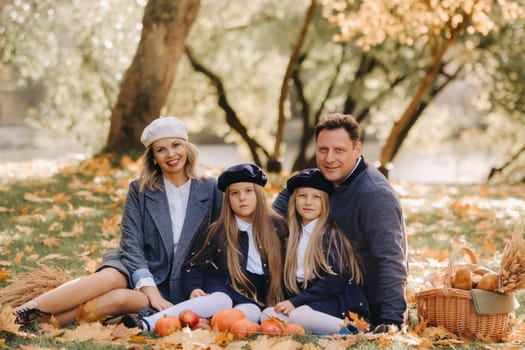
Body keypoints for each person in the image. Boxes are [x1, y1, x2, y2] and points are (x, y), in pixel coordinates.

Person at [12, 116, 222, 326]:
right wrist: (149, 288)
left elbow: (219, 243)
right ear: (153, 158)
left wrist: (199, 289)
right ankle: (20, 313)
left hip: (175, 285)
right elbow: (131, 244)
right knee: (107, 279)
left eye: (176, 145)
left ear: (187, 148)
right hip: (135, 265)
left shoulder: (210, 189)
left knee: (118, 299)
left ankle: (31, 322)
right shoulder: (139, 190)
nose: (171, 155)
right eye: (161, 150)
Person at [273, 113, 408, 331]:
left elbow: (391, 259)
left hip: (357, 301)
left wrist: (392, 320)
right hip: (314, 291)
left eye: (339, 150)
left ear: (357, 149)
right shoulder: (318, 182)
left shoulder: (374, 194)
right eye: (323, 150)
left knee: (295, 317)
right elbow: (271, 223)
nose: (329, 159)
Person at [122, 163, 288, 331]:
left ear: (259, 194)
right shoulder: (218, 230)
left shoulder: (278, 226)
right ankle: (150, 322)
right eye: (234, 193)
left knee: (250, 314)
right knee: (221, 301)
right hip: (223, 288)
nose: (242, 198)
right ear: (227, 199)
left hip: (256, 299)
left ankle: (204, 324)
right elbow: (193, 264)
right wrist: (194, 288)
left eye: (248, 191)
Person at [261, 169, 369, 335]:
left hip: (337, 301)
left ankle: (355, 331)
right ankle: (318, 332)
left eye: (316, 197)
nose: (308, 202)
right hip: (310, 301)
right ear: (294, 201)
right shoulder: (291, 235)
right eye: (302, 196)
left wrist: (295, 302)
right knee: (268, 314)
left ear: (325, 202)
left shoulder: (330, 235)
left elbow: (334, 280)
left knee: (298, 314)